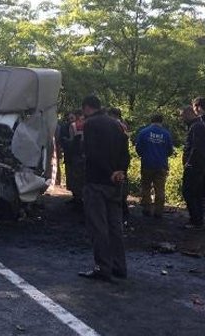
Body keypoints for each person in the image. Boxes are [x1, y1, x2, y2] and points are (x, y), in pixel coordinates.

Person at [78, 96, 130, 282]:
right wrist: (120, 172)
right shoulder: (117, 124)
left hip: (97, 181)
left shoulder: (90, 124)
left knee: (98, 226)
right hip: (115, 183)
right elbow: (126, 152)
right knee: (115, 226)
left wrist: (108, 172)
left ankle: (103, 267)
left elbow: (92, 153)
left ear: (86, 107)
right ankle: (119, 266)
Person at [135, 114, 174, 218]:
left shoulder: (143, 132)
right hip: (161, 164)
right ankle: (158, 211)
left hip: (147, 163)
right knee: (160, 189)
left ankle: (147, 209)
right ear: (162, 121)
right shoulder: (166, 134)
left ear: (151, 120)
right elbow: (170, 150)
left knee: (146, 187)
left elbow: (138, 147)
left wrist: (143, 155)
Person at [180, 106, 205, 228]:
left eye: (183, 115)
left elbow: (196, 147)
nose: (182, 118)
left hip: (195, 165)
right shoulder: (198, 125)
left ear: (189, 113)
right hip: (198, 164)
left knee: (189, 192)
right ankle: (197, 219)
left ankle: (195, 220)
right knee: (195, 192)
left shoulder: (197, 126)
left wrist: (189, 162)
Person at [68, 110, 86, 209]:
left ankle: (77, 200)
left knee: (76, 177)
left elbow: (71, 140)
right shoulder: (88, 124)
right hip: (87, 155)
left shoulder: (73, 126)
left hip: (76, 154)